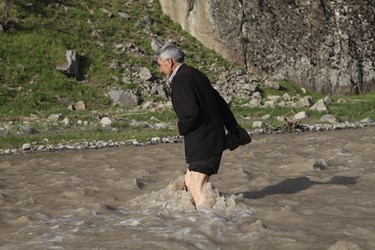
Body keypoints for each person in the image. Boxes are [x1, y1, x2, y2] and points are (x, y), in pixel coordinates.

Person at [155, 44, 251, 208]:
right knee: (188, 181)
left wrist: (181, 127)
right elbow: (220, 102)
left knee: (196, 188)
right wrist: (233, 127)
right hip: (210, 139)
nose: (160, 70)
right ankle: (189, 222)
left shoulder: (180, 81)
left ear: (169, 62)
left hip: (203, 143)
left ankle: (211, 225)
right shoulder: (196, 74)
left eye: (160, 65)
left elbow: (191, 113)